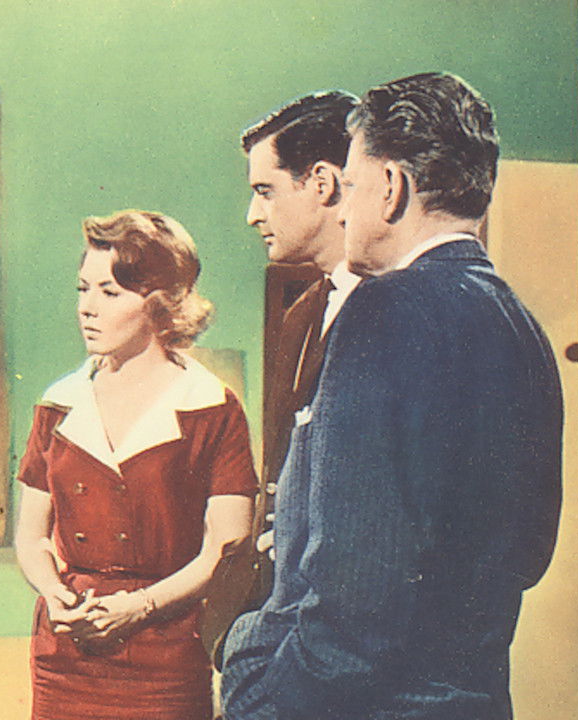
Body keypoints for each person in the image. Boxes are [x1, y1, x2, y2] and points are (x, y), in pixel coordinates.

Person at [221, 72, 563, 719]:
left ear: (391, 186)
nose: (344, 210)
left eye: (350, 187)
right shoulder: (523, 327)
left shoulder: (384, 308)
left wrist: (260, 686)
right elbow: (530, 554)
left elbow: (354, 601)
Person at [13, 210, 256, 720]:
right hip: (67, 651)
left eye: (109, 292)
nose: (87, 308)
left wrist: (140, 606)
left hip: (166, 651)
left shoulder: (212, 408)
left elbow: (225, 548)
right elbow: (31, 536)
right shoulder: (57, 404)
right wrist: (53, 593)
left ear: (161, 302)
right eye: (83, 289)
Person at [200, 91, 359, 663]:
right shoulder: (301, 314)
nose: (252, 214)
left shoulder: (392, 310)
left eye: (264, 191)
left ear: (322, 183)